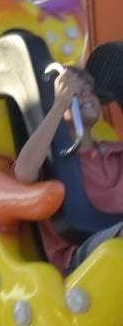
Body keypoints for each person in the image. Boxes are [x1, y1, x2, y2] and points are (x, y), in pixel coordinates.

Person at [13, 64, 123, 272]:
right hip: (83, 249)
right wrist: (59, 106)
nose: (87, 97)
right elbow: (24, 173)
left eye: (90, 92)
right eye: (77, 93)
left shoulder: (116, 151)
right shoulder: (54, 158)